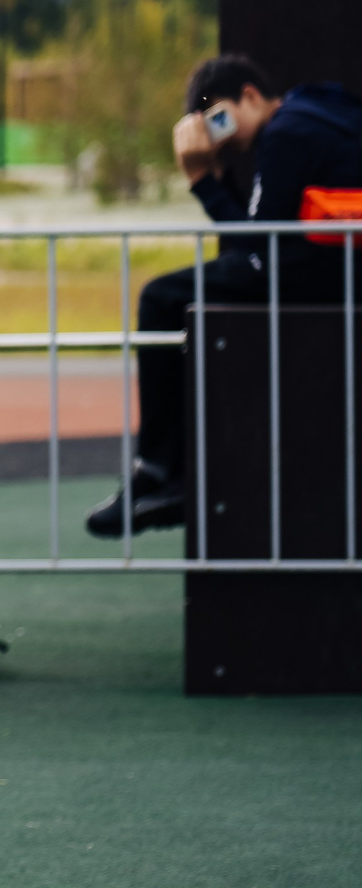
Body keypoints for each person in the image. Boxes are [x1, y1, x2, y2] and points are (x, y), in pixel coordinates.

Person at [86, 54, 362, 537]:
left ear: (251, 96)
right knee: (182, 292)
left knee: (160, 298)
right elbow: (261, 240)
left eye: (219, 119)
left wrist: (201, 180)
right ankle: (163, 471)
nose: (219, 135)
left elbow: (258, 245)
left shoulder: (286, 133)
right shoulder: (319, 113)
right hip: (333, 267)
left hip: (324, 273)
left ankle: (157, 471)